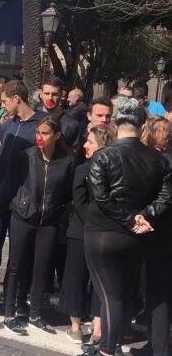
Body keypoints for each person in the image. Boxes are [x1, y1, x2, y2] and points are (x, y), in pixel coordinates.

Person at [78, 97, 172, 356]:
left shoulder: (103, 156)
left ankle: (107, 353)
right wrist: (144, 217)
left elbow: (101, 196)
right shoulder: (158, 160)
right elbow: (166, 196)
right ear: (142, 124)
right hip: (138, 236)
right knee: (121, 293)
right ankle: (109, 344)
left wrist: (130, 219)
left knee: (109, 294)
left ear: (114, 122)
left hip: (105, 233)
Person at [2, 117, 74, 336]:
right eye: (38, 133)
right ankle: (9, 313)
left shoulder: (67, 161)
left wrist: (59, 213)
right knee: (16, 265)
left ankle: (35, 313)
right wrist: (18, 203)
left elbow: (68, 193)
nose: (40, 137)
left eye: (45, 133)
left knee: (42, 267)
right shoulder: (26, 155)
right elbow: (12, 182)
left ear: (57, 135)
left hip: (49, 220)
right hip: (23, 215)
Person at [0, 80, 45, 311]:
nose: (3, 106)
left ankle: (13, 292)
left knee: (18, 249)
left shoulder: (40, 124)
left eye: (5, 101)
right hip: (1, 193)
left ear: (17, 98)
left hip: (23, 196)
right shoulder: (8, 125)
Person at [59, 125, 116, 344]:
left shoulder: (83, 169)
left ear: (101, 144)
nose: (84, 145)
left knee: (76, 277)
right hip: (104, 231)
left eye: (89, 141)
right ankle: (97, 327)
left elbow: (79, 201)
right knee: (100, 281)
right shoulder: (114, 170)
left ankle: (76, 327)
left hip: (82, 230)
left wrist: (92, 222)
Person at [134, 116, 172, 356]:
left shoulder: (158, 162)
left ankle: (158, 348)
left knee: (158, 292)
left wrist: (141, 216)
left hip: (159, 233)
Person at [38, 76, 80, 148]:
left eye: (54, 94)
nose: (50, 98)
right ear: (41, 95)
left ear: (61, 95)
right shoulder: (32, 118)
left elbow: (74, 154)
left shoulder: (71, 124)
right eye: (47, 93)